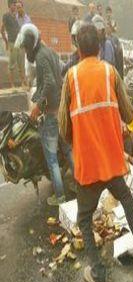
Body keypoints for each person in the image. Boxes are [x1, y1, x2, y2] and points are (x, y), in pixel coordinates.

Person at [58, 24, 133, 282]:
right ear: (100, 48)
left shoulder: (71, 78)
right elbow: (127, 112)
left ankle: (98, 274)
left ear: (78, 49)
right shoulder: (110, 72)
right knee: (125, 198)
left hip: (88, 164)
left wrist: (76, 141)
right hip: (111, 160)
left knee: (84, 219)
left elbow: (64, 126)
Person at [18, 23, 73, 206]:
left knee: (52, 160)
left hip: (50, 115)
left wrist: (37, 106)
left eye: (26, 46)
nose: (26, 51)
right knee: (67, 150)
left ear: (32, 42)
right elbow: (53, 79)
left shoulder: (41, 58)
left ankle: (60, 197)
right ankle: (83, 185)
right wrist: (36, 96)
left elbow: (49, 83)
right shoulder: (49, 51)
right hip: (60, 111)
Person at [1, 0, 26, 87]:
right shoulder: (6, 16)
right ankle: (12, 85)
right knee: (11, 65)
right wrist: (6, 42)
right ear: (9, 6)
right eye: (13, 5)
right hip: (12, 43)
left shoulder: (17, 16)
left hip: (20, 43)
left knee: (21, 64)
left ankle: (23, 83)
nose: (15, 6)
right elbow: (2, 30)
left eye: (15, 5)